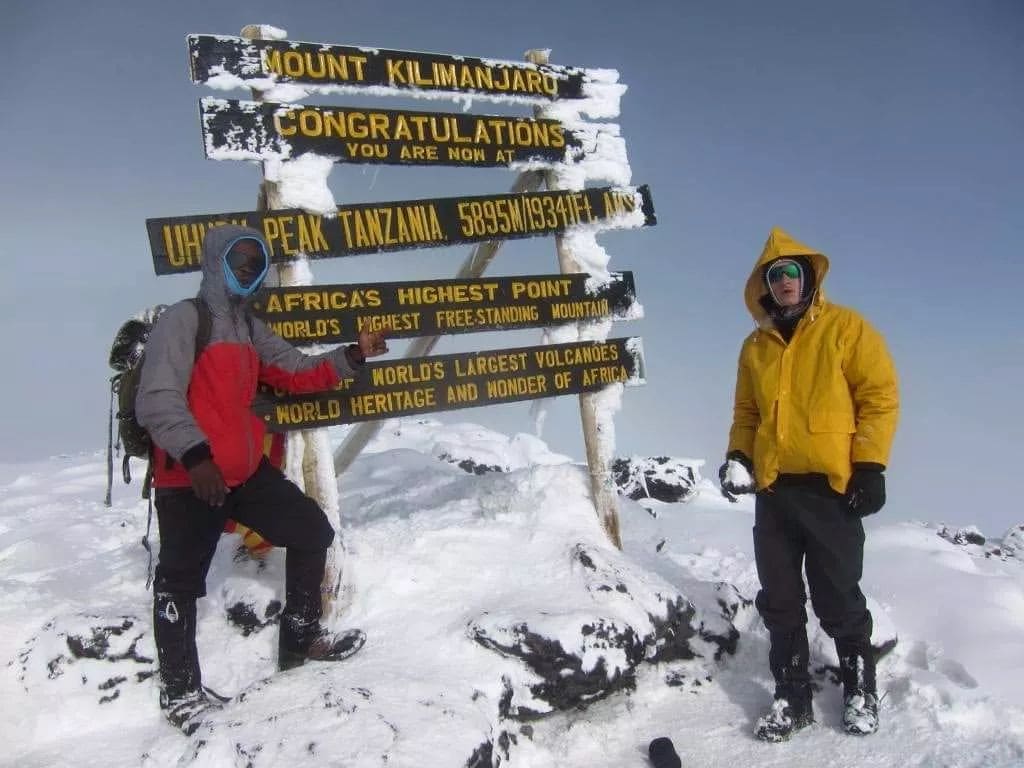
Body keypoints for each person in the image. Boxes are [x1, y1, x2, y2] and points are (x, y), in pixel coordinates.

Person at [136, 224, 388, 734]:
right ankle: (181, 692)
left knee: (311, 530)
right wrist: (197, 456)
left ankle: (300, 636)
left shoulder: (250, 327)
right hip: (191, 477)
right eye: (240, 259)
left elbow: (296, 370)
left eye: (257, 262)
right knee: (179, 582)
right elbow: (156, 397)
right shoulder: (184, 321)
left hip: (245, 475)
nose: (249, 269)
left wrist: (353, 356)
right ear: (216, 262)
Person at [718, 227, 899, 741]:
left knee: (838, 595)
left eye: (792, 272)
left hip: (832, 490)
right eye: (775, 275)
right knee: (779, 600)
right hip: (774, 492)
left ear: (809, 276)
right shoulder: (756, 346)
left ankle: (861, 690)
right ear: (765, 285)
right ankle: (791, 696)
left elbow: (879, 398)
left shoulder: (847, 329)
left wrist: (870, 464)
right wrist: (738, 454)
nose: (785, 282)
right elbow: (747, 412)